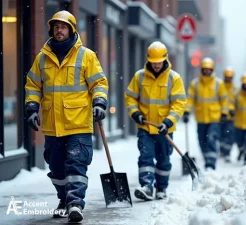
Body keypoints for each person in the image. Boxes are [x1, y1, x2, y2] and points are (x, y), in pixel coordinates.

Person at [24, 10, 108, 223]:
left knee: (76, 165)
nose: (59, 30)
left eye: (63, 27)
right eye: (55, 27)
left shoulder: (86, 55)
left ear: (71, 30)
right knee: (57, 169)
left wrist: (99, 102)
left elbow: (98, 83)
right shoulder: (42, 58)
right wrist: (32, 108)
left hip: (78, 123)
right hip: (53, 125)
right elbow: (33, 85)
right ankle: (64, 200)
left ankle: (75, 204)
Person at [124, 41, 186, 200]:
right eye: (154, 62)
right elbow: (130, 98)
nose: (156, 65)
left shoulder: (174, 78)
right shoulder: (139, 76)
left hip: (164, 129)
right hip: (145, 127)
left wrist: (168, 122)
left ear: (165, 59)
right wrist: (136, 114)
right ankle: (146, 186)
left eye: (159, 62)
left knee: (163, 158)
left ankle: (161, 187)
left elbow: (179, 104)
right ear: (148, 60)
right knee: (145, 156)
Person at [183, 57, 228, 170]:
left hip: (214, 118)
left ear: (212, 69)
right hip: (201, 118)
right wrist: (187, 111)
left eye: (209, 69)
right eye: (205, 69)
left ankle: (211, 164)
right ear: (201, 69)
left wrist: (224, 113)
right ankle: (207, 159)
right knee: (202, 141)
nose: (207, 71)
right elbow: (190, 99)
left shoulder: (219, 83)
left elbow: (224, 100)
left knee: (211, 139)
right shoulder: (195, 84)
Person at [219, 67, 237, 162]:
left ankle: (227, 153)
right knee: (221, 136)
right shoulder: (220, 86)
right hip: (220, 116)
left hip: (231, 118)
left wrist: (232, 110)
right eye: (227, 77)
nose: (228, 79)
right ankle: (222, 151)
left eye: (230, 77)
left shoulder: (235, 89)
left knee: (230, 136)